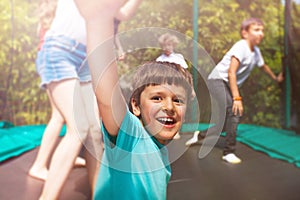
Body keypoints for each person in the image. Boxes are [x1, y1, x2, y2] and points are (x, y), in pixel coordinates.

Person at [75, 1, 194, 199]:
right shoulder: (131, 137)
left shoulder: (160, 151)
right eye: (157, 97)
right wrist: (99, 20)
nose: (169, 107)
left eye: (178, 100)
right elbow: (106, 97)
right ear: (136, 106)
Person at [185, 17, 284, 164]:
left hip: (227, 84)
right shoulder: (241, 46)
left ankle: (200, 135)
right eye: (256, 30)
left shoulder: (256, 51)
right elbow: (231, 72)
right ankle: (229, 152)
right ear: (245, 33)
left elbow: (263, 66)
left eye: (262, 30)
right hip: (217, 80)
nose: (261, 33)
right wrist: (237, 98)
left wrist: (275, 78)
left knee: (225, 121)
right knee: (234, 110)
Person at [31, 0, 103, 199]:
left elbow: (117, 15)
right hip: (62, 50)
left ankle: (99, 194)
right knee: (77, 126)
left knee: (95, 131)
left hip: (87, 56)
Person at [156, 33, 189, 139]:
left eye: (170, 45)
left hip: (178, 89)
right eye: (165, 45)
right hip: (165, 89)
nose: (167, 48)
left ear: (174, 45)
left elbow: (185, 74)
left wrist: (190, 88)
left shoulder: (178, 58)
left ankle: (175, 130)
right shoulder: (159, 60)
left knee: (177, 109)